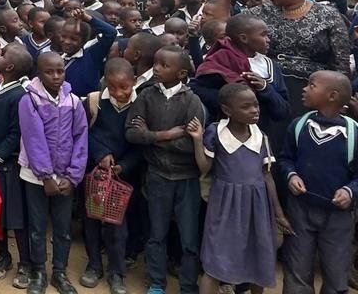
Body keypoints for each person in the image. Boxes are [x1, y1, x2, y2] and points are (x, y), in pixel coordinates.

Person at [186, 83, 288, 294]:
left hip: (257, 207)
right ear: (227, 110)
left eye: (256, 105)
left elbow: (267, 176)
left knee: (257, 260)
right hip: (225, 207)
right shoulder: (216, 133)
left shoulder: (261, 136)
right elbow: (205, 166)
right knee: (215, 260)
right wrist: (197, 140)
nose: (254, 110)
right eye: (246, 107)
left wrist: (278, 214)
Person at [125, 46, 206, 294]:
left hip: (187, 178)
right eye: (156, 63)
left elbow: (191, 142)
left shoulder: (193, 101)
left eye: (164, 65)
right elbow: (131, 133)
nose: (157, 69)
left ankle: (188, 285)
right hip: (157, 175)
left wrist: (150, 137)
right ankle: (157, 282)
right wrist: (164, 135)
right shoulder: (146, 96)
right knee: (156, 234)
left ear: (181, 73)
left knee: (189, 239)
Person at [279, 70, 358, 294]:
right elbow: (286, 158)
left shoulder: (353, 133)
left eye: (311, 85)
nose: (304, 89)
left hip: (339, 218)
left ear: (332, 96)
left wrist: (350, 191)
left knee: (336, 272)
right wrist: (291, 175)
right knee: (296, 269)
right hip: (300, 211)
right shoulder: (299, 125)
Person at [18, 52, 88, 294]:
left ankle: (60, 272)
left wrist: (73, 177)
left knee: (63, 228)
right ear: (39, 72)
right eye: (50, 71)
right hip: (36, 176)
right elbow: (33, 139)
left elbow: (81, 138)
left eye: (60, 71)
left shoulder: (74, 101)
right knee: (37, 226)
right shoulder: (29, 101)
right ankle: (38, 272)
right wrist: (46, 176)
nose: (56, 76)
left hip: (66, 177)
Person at [250, 0, 350, 118]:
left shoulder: (327, 15)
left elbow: (341, 63)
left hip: (313, 94)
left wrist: (340, 100)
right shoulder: (258, 14)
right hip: (269, 90)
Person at [80, 58, 140, 294]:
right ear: (105, 83)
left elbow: (141, 144)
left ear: (134, 82)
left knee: (118, 226)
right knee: (91, 220)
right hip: (95, 174)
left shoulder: (141, 104)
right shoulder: (94, 102)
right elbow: (82, 134)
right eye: (112, 87)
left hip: (123, 176)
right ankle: (94, 265)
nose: (118, 93)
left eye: (124, 87)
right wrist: (101, 154)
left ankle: (117, 272)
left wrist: (123, 166)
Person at [0, 43, 33, 286]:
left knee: (15, 216)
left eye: (2, 55)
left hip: (9, 163)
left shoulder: (20, 95)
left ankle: (25, 262)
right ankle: (3, 256)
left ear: (11, 66)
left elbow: (16, 133)